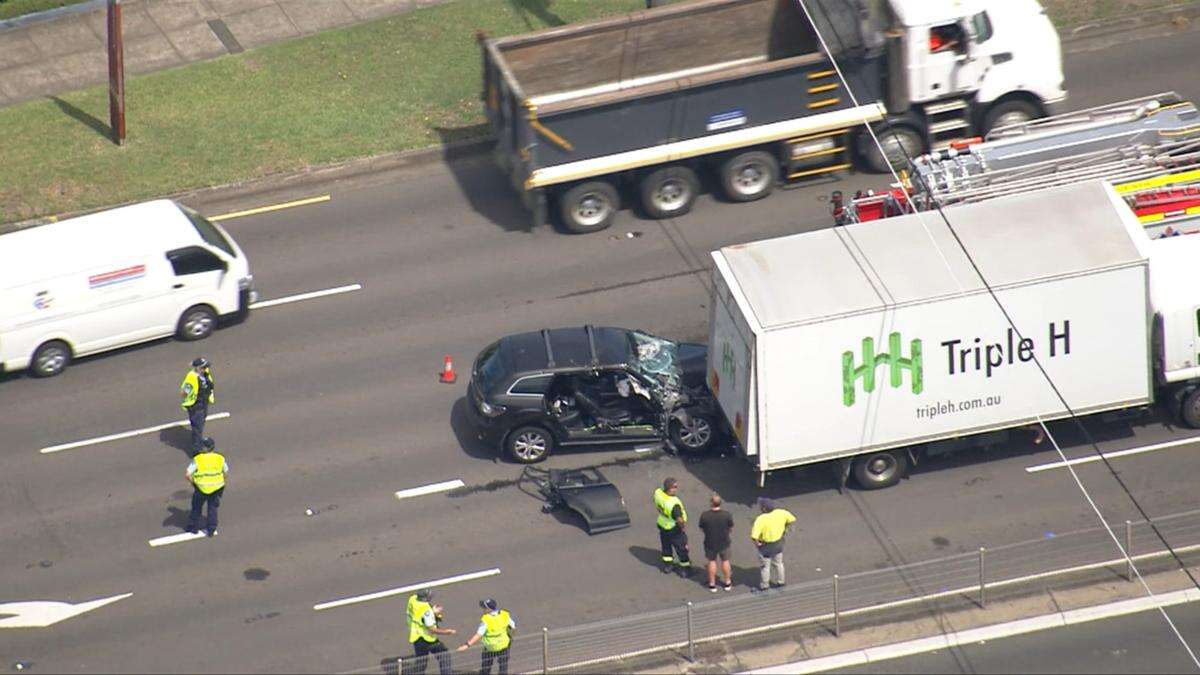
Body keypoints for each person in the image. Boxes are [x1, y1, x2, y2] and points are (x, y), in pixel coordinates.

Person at [457, 598, 515, 674]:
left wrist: (466, 645)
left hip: (489, 648)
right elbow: (513, 627)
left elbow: (478, 635)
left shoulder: (486, 620)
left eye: (484, 608)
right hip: (503, 646)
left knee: (486, 667)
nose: (483, 609)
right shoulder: (504, 615)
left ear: (489, 609)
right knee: (503, 667)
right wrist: (510, 638)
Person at [405, 589, 456, 675]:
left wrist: (432, 611)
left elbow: (418, 613)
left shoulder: (412, 599)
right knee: (444, 656)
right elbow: (432, 629)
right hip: (427, 639)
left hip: (416, 637)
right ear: (425, 598)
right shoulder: (426, 611)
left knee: (421, 661)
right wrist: (447, 632)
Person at [750, 497, 796, 592]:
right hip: (778, 543)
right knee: (779, 563)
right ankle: (781, 582)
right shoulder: (781, 513)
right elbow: (792, 519)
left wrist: (757, 543)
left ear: (764, 509)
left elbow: (754, 536)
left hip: (766, 546)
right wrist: (785, 529)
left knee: (765, 566)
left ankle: (765, 585)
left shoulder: (760, 519)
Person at [185, 437, 227, 537]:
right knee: (212, 509)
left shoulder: (198, 459)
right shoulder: (219, 458)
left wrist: (193, 483)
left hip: (201, 489)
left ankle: (193, 527)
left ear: (205, 448)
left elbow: (187, 474)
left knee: (196, 508)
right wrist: (222, 483)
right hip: (216, 488)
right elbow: (225, 472)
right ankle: (211, 530)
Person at [654, 477, 692, 576]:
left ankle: (668, 565)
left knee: (666, 546)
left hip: (662, 524)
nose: (676, 488)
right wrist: (682, 527)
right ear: (669, 488)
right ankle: (685, 569)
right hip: (673, 528)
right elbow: (679, 519)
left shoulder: (658, 493)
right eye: (674, 487)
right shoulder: (673, 504)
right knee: (681, 548)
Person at [698, 493, 734, 592]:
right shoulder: (727, 515)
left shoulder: (705, 515)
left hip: (710, 542)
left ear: (711, 503)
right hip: (724, 542)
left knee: (711, 561)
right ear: (720, 503)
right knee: (725, 561)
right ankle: (727, 582)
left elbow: (702, 528)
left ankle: (712, 584)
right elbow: (730, 528)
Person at [180, 357, 215, 455]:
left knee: (201, 424)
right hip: (196, 406)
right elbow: (184, 393)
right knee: (197, 427)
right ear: (197, 368)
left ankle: (198, 440)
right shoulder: (191, 377)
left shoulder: (205, 373)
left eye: (206, 367)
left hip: (204, 403)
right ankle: (197, 450)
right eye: (203, 367)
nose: (205, 369)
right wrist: (189, 395)